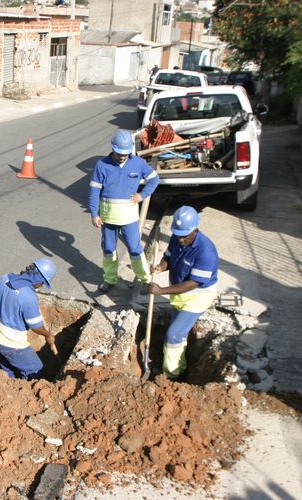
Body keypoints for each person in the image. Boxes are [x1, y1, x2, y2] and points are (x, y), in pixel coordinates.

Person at [148, 206, 219, 378]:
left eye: (185, 236)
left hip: (197, 296)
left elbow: (192, 283)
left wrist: (161, 290)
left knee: (173, 335)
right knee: (177, 331)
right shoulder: (177, 237)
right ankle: (177, 357)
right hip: (178, 292)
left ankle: (174, 374)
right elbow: (168, 258)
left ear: (196, 229)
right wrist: (160, 267)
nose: (180, 240)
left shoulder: (206, 252)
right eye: (178, 235)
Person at [88, 129, 159, 293]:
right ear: (113, 148)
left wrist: (142, 195)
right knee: (108, 249)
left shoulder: (138, 163)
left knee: (135, 249)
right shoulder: (102, 165)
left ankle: (145, 279)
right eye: (119, 153)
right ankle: (109, 279)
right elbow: (94, 191)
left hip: (129, 218)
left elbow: (154, 179)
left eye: (126, 153)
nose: (122, 156)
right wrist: (94, 214)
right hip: (108, 218)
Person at [0, 258, 58, 379]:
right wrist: (48, 335)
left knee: (7, 368)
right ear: (38, 279)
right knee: (35, 369)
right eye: (43, 283)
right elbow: (36, 327)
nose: (41, 286)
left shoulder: (4, 278)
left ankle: (10, 383)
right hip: (12, 344)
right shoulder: (28, 298)